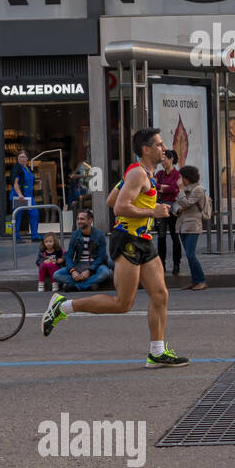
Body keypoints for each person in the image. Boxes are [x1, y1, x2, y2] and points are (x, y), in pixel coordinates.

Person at [43, 128, 189, 367]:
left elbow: (112, 198)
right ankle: (63, 306)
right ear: (146, 149)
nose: (164, 149)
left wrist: (142, 209)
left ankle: (157, 352)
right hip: (128, 240)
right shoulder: (138, 175)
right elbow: (119, 208)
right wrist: (151, 211)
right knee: (123, 303)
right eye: (160, 145)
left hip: (143, 240)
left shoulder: (144, 174)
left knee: (160, 294)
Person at [171, 165, 210, 291]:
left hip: (193, 225)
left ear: (188, 177)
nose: (180, 180)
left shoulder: (198, 189)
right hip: (181, 225)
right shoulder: (184, 190)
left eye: (182, 177)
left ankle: (202, 280)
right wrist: (179, 207)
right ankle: (195, 281)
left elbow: (186, 204)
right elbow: (176, 206)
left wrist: (181, 192)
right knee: (188, 255)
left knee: (191, 254)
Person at [53, 209, 111, 292]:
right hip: (79, 264)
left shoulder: (99, 234)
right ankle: (89, 284)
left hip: (95, 264)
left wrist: (89, 270)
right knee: (57, 275)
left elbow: (101, 257)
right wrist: (72, 271)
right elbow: (69, 255)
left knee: (105, 273)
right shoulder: (75, 235)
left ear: (90, 220)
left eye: (82, 219)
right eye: (78, 219)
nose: (79, 221)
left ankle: (77, 286)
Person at [155, 149, 182, 276]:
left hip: (172, 210)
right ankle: (162, 264)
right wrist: (164, 188)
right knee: (161, 237)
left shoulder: (177, 174)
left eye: (164, 159)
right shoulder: (160, 173)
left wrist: (162, 187)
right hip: (160, 208)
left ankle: (177, 264)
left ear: (171, 159)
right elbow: (154, 185)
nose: (162, 162)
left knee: (174, 237)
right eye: (161, 160)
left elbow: (175, 189)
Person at [10, 151, 38, 244]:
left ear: (27, 159)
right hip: (20, 196)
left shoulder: (28, 168)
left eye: (23, 157)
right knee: (18, 216)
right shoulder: (17, 168)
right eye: (20, 157)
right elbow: (15, 183)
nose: (21, 159)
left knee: (34, 214)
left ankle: (35, 235)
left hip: (29, 196)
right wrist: (20, 194)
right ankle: (16, 237)